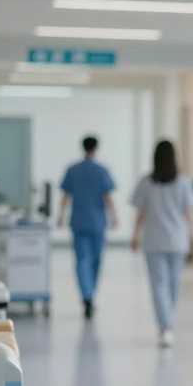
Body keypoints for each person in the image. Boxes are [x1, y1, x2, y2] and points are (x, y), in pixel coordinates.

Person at [130, 141, 193, 348]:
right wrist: (192, 235)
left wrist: (135, 235)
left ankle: (165, 326)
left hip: (154, 240)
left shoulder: (146, 183)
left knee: (159, 284)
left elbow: (141, 213)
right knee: (173, 284)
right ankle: (167, 322)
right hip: (177, 240)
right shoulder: (184, 182)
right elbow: (187, 213)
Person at [58, 136, 117, 319]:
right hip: (97, 222)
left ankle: (87, 296)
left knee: (82, 260)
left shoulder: (73, 170)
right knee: (96, 261)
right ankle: (90, 295)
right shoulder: (101, 170)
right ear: (96, 148)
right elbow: (107, 197)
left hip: (79, 221)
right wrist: (114, 216)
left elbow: (65, 196)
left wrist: (60, 216)